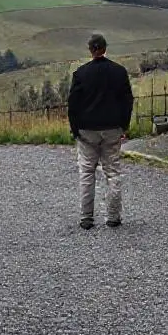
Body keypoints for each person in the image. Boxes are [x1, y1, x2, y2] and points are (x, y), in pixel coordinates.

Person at [67, 33, 134, 230]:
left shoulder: (80, 74)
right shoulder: (119, 72)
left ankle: (86, 217)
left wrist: (75, 130)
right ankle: (113, 217)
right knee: (112, 172)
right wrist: (124, 126)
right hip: (113, 127)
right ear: (105, 48)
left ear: (90, 50)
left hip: (87, 130)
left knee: (87, 172)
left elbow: (73, 105)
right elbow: (127, 101)